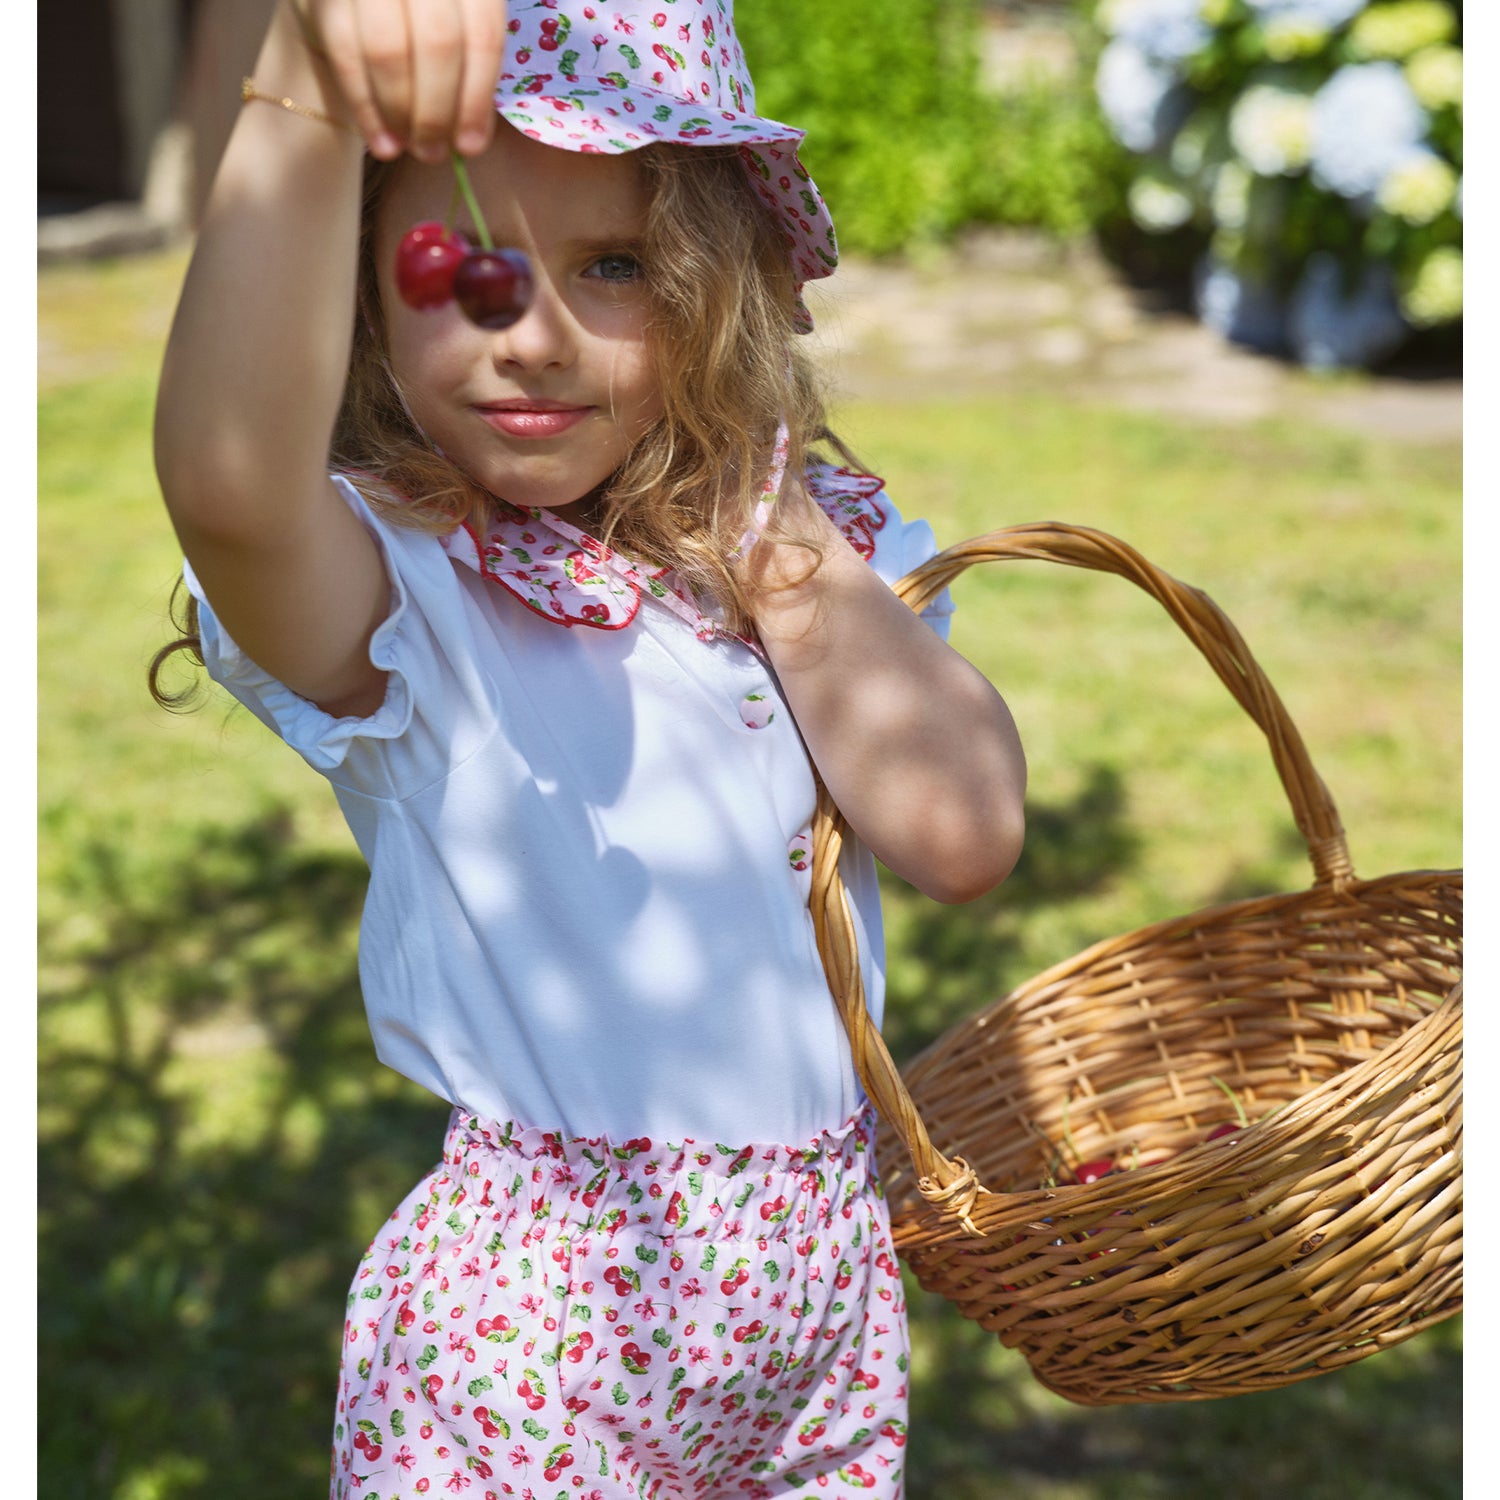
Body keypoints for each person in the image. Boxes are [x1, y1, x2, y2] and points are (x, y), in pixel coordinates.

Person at [152, 2, 1026, 1494]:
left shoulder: (793, 566)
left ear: (709, 284)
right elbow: (231, 486)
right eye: (450, 271)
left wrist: (761, 521)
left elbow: (961, 831)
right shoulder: (415, 592)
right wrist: (305, 76)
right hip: (537, 1350)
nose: (532, 334)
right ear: (361, 302)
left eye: (615, 267)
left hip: (816, 1322)